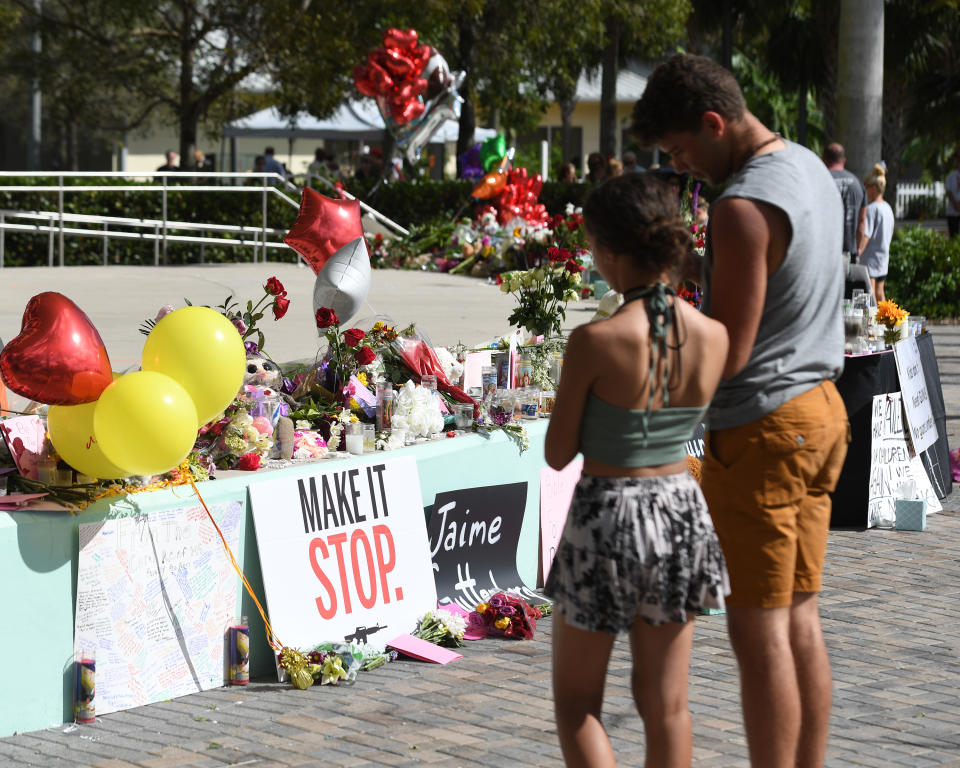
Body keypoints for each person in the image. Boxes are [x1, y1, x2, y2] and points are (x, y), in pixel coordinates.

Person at [633, 53, 849, 768]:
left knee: (759, 637)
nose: (684, 168)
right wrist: (700, 269)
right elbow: (775, 281)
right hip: (820, 411)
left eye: (682, 150)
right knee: (800, 622)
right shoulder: (809, 168)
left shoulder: (740, 204)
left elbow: (729, 345)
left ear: (713, 124)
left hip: (763, 427)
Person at [545, 173, 730, 768]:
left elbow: (556, 453)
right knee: (666, 706)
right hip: (680, 510)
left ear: (611, 252)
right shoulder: (714, 336)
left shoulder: (594, 341)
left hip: (607, 512)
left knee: (578, 706)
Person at [822, 143, 867, 259]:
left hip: (824, 251)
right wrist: (859, 248)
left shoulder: (820, 179)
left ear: (824, 159)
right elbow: (862, 222)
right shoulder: (857, 184)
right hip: (849, 251)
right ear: (844, 160)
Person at [860, 163, 895, 303]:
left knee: (871, 294)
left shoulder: (872, 209)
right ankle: (887, 321)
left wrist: (857, 253)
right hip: (883, 257)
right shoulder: (887, 208)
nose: (866, 191)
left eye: (866, 187)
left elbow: (866, 235)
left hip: (870, 258)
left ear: (873, 188)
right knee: (880, 294)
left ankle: (874, 324)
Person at [946, 152, 960, 238]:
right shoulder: (951, 176)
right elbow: (948, 192)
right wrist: (956, 204)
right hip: (952, 212)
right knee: (954, 236)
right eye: (958, 160)